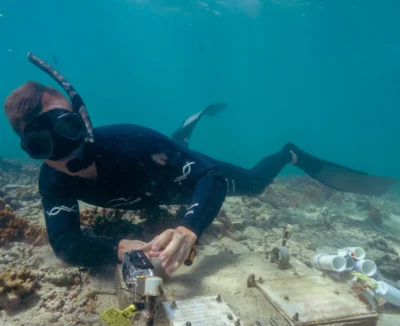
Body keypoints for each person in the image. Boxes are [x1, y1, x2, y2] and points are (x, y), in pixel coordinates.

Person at [4, 80, 398, 275]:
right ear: (30, 151)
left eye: (69, 129)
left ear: (83, 119)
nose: (66, 150)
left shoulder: (131, 141)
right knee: (171, 153)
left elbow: (208, 177)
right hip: (158, 176)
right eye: (42, 145)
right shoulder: (52, 182)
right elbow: (65, 243)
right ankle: (180, 137)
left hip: (178, 177)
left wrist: (191, 227)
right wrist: (117, 248)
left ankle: (289, 153)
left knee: (255, 185)